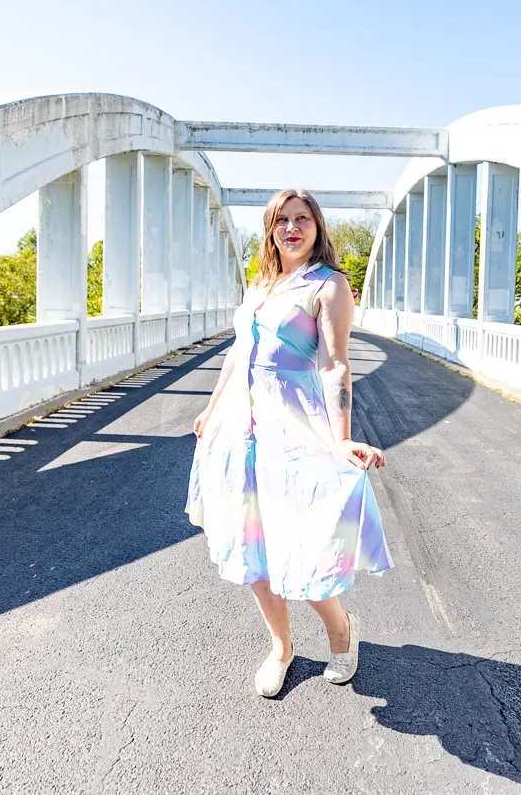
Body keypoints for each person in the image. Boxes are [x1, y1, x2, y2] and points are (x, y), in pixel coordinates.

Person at [187, 189, 394, 697]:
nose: (293, 228)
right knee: (252, 544)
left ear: (318, 227)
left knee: (302, 544)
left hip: (295, 429)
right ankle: (281, 647)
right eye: (283, 220)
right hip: (240, 432)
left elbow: (334, 363)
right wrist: (212, 409)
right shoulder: (260, 284)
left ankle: (341, 630)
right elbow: (238, 355)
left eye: (303, 219)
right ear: (270, 229)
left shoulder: (328, 286)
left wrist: (341, 439)